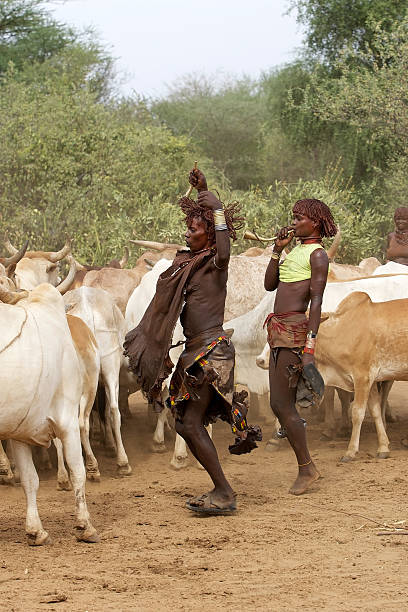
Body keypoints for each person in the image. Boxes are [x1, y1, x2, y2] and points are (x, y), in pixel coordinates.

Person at [124, 167, 261, 515]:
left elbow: (225, 244)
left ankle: (225, 492)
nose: (188, 233)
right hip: (196, 354)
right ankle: (221, 489)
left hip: (210, 356)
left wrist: (213, 205)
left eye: (194, 229)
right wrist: (201, 193)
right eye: (189, 227)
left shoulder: (217, 263)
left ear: (211, 237)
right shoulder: (193, 264)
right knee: (184, 422)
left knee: (189, 422)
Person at [264, 199, 337, 495]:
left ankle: (307, 468)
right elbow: (270, 285)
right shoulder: (294, 250)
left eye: (299, 218)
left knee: (282, 404)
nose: (293, 223)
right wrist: (277, 250)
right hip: (278, 332)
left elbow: (316, 303)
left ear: (315, 223)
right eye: (293, 217)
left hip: (294, 334)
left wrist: (310, 349)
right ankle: (306, 467)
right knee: (276, 403)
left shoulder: (318, 255)